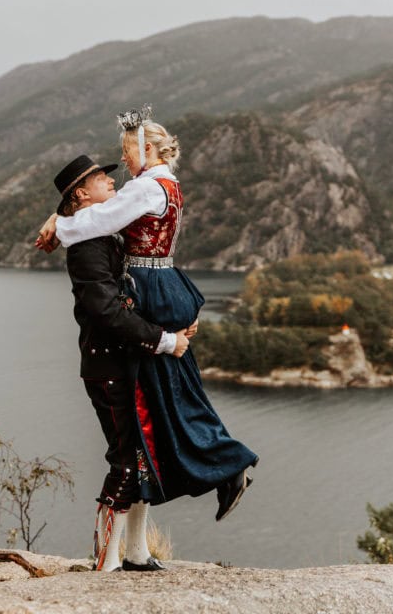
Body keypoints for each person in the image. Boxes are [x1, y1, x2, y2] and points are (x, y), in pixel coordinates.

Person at [37, 107, 258, 528]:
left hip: (147, 288)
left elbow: (104, 216)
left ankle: (227, 462)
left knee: (166, 398)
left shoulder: (147, 187)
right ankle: (222, 463)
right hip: (163, 283)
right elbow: (108, 211)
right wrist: (59, 217)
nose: (123, 163)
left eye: (127, 152)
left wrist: (59, 226)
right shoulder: (160, 184)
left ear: (150, 149)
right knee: (174, 393)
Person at [47, 153, 196, 572]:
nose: (112, 183)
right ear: (81, 193)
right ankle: (106, 562)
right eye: (100, 179)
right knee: (126, 458)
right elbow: (108, 312)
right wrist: (164, 340)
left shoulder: (101, 231)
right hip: (108, 366)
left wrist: (179, 316)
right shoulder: (88, 246)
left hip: (123, 361)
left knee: (144, 455)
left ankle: (135, 553)